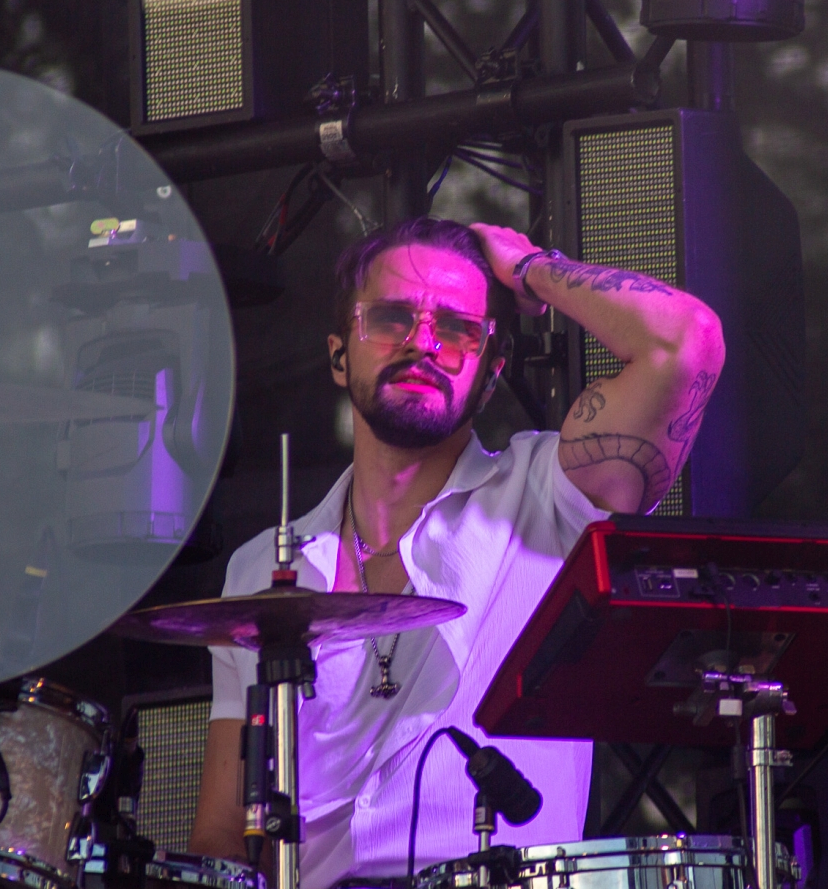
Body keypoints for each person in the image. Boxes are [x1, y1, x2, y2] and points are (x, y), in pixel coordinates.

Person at [188, 216, 725, 886]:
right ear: (338, 355)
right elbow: (221, 832)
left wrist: (528, 266)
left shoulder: (548, 497)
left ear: (491, 373)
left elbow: (686, 341)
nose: (421, 343)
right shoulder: (260, 567)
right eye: (391, 319)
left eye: (457, 329)